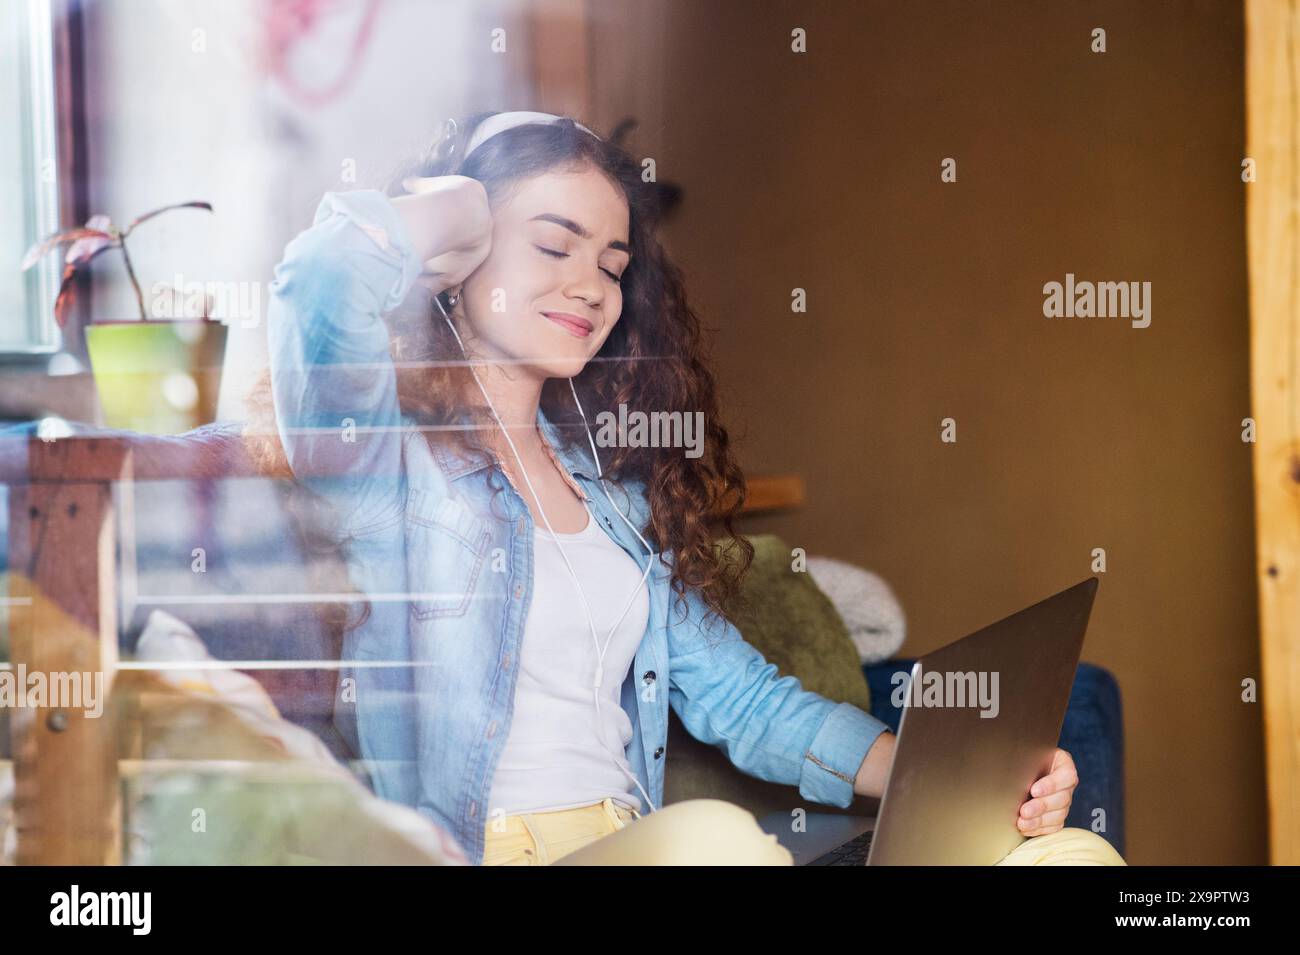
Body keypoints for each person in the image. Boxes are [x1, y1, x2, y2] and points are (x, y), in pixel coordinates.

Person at [245, 110, 1125, 866]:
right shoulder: (381, 464)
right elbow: (320, 281)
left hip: (633, 842)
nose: (590, 285)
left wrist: (949, 773)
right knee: (713, 839)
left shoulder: (615, 500)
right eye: (552, 243)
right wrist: (455, 198)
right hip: (499, 847)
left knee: (1059, 852)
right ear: (457, 260)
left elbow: (747, 699)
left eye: (613, 264)